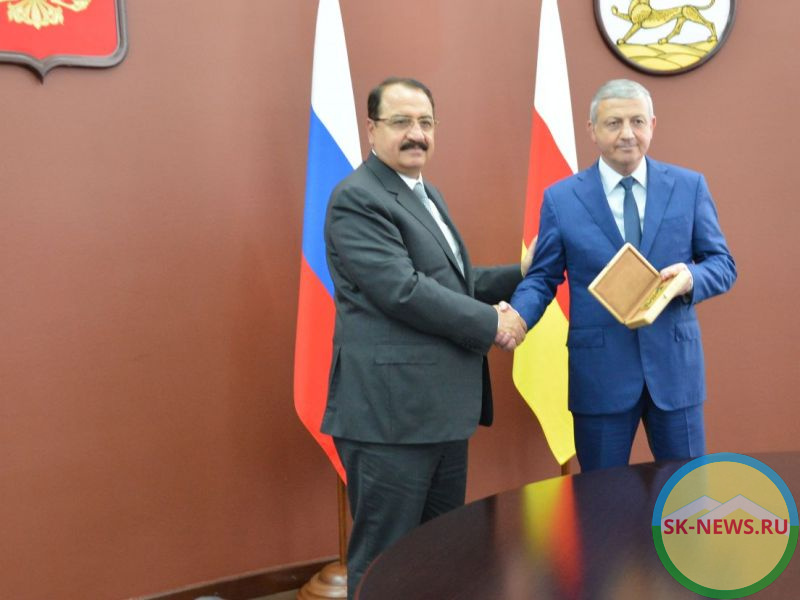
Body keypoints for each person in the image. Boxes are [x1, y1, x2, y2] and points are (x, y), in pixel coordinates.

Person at [321, 77, 529, 598]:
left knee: (438, 552)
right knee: (385, 559)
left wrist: (523, 273)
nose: (416, 134)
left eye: (426, 123)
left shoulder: (424, 192)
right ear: (372, 130)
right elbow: (403, 290)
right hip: (391, 418)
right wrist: (493, 323)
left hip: (440, 413)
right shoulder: (358, 198)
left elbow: (452, 284)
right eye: (401, 122)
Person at [510, 79, 736, 472]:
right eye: (613, 123)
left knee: (686, 492)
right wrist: (516, 318)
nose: (627, 133)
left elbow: (722, 264)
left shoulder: (689, 187)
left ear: (652, 125)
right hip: (600, 375)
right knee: (601, 498)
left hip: (674, 373)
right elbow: (542, 277)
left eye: (637, 121)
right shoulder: (562, 199)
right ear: (592, 130)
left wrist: (689, 279)